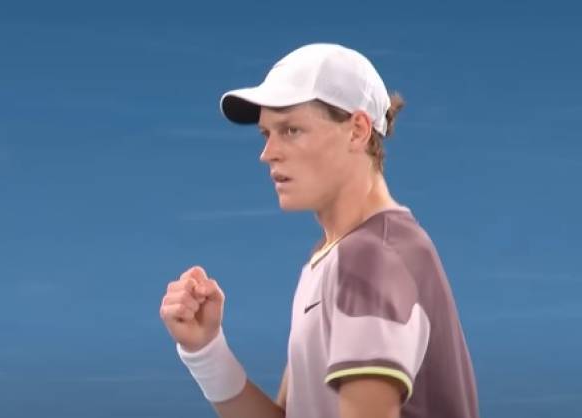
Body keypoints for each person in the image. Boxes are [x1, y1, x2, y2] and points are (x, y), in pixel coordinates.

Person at [159, 43, 479, 418]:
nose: (268, 153)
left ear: (357, 130)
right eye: (266, 134)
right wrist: (206, 352)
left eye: (291, 130)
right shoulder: (335, 258)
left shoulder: (369, 259)